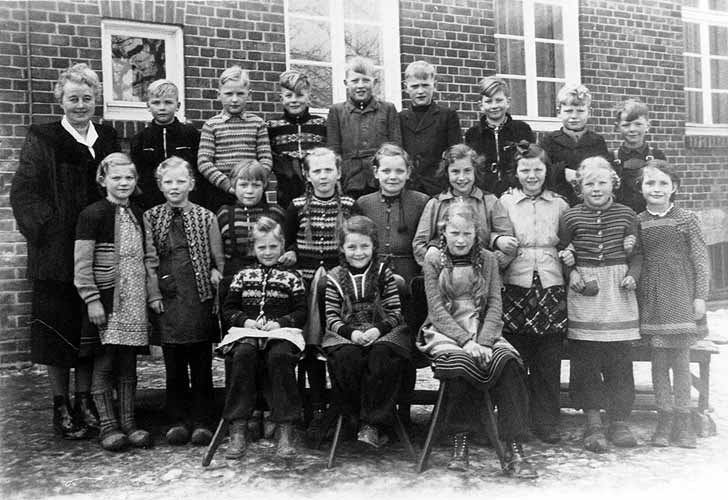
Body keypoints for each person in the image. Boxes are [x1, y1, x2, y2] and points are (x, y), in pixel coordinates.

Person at [10, 62, 120, 439]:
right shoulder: (42, 136)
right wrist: (53, 229)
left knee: (90, 329)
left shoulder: (107, 137)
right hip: (56, 254)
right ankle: (61, 406)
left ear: (96, 100)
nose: (80, 105)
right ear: (60, 100)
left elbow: (121, 183)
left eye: (87, 98)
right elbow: (23, 192)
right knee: (56, 331)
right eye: (73, 98)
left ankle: (85, 399)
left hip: (97, 251)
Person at [417, 200, 538, 478]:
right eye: (454, 233)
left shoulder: (489, 259)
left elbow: (495, 304)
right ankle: (461, 443)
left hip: (484, 328)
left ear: (476, 234)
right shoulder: (434, 259)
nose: (461, 240)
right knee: (461, 364)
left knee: (507, 363)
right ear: (443, 231)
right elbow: (436, 311)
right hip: (446, 331)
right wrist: (466, 342)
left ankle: (515, 446)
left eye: (467, 234)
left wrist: (483, 341)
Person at [558, 156, 641, 452]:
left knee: (619, 360)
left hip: (618, 294)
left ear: (614, 184)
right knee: (587, 360)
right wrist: (573, 272)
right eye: (588, 183)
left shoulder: (628, 214)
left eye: (602, 182)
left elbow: (638, 254)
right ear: (579, 187)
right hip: (586, 296)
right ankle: (592, 423)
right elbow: (563, 252)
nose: (596, 188)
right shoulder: (569, 217)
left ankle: (618, 421)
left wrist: (632, 274)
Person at [144, 156, 224, 446]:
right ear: (159, 185)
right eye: (168, 182)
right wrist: (153, 293)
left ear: (191, 183)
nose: (174, 187)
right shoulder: (151, 217)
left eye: (180, 181)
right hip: (168, 299)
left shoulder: (206, 217)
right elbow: (149, 259)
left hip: (197, 295)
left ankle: (203, 420)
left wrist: (216, 274)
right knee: (173, 362)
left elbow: (218, 258)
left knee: (200, 359)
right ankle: (177, 420)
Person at [74, 153, 151, 451]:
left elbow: (147, 257)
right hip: (107, 300)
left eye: (129, 178)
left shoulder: (138, 213)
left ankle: (129, 423)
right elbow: (82, 264)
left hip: (134, 299)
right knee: (105, 362)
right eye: (116, 177)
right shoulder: (92, 214)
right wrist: (92, 299)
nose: (123, 183)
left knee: (128, 363)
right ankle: (108, 425)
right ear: (102, 180)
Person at [495, 142, 569, 444]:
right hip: (516, 281)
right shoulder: (506, 202)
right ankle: (516, 420)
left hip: (550, 284)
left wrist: (571, 252)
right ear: (516, 172)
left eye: (537, 169)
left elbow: (569, 238)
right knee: (516, 356)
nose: (531, 175)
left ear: (546, 170)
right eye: (525, 170)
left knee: (548, 358)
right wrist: (500, 239)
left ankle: (547, 421)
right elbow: (492, 231)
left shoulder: (560, 204)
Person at [282, 147, 355, 445]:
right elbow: (287, 243)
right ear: (307, 175)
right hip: (307, 283)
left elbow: (355, 243)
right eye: (317, 171)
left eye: (328, 170)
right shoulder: (297, 206)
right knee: (311, 348)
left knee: (337, 344)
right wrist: (289, 253)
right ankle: (314, 406)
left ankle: (340, 409)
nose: (323, 176)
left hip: (339, 284)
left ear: (338, 173)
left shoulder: (350, 205)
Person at [220, 217, 308, 458]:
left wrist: (280, 322)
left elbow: (301, 312)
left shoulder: (292, 277)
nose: (267, 252)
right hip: (248, 331)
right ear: (253, 248)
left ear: (282, 246)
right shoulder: (243, 275)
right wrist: (246, 321)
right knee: (244, 354)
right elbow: (228, 309)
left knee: (279, 356)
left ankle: (285, 428)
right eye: (262, 247)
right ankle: (238, 427)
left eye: (273, 247)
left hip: (281, 332)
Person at [636, 160, 709, 448]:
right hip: (652, 298)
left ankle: (684, 419)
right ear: (641, 188)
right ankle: (664, 418)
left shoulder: (686, 218)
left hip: (681, 295)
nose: (657, 189)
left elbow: (701, 260)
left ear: (674, 188)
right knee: (658, 362)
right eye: (650, 183)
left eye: (663, 183)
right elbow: (637, 259)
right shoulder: (638, 220)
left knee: (681, 360)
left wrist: (700, 296)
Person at [323, 215, 412, 447]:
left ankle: (373, 423)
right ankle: (353, 417)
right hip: (346, 332)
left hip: (381, 330)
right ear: (342, 248)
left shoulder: (384, 273)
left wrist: (377, 330)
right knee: (346, 358)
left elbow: (395, 312)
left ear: (374, 246)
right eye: (352, 247)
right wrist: (351, 333)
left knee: (382, 356)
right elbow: (331, 317)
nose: (358, 252)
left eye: (365, 246)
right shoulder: (334, 278)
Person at [412, 144, 513, 268]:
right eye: (455, 171)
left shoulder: (490, 201)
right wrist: (438, 265)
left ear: (475, 171)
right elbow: (419, 243)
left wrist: (488, 265)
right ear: (446, 173)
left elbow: (508, 244)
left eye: (467, 171)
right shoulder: (436, 203)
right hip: (444, 275)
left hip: (481, 274)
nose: (462, 177)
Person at [198, 65, 273, 212]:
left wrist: (255, 182)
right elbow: (204, 162)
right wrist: (227, 185)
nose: (234, 99)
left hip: (252, 192)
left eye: (240, 94)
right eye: (228, 94)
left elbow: (266, 158)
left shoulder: (257, 123)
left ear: (249, 95)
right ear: (218, 94)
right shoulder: (211, 125)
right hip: (222, 193)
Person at [327, 56, 401, 199]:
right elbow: (333, 150)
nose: (360, 85)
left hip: (381, 181)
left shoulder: (388, 109)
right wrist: (337, 181)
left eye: (366, 80)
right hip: (350, 182)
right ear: (346, 83)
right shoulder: (337, 111)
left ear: (374, 82)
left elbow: (396, 148)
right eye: (355, 81)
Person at [130, 79, 205, 210]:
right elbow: (137, 174)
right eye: (156, 103)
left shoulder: (191, 134)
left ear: (178, 105)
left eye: (168, 102)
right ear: (148, 106)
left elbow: (198, 171)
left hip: (186, 202)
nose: (162, 107)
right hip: (151, 204)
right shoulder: (140, 139)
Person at [540, 84, 610, 206]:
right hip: (557, 201)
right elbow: (541, 171)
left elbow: (607, 171)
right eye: (568, 111)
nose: (574, 116)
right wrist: (562, 172)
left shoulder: (597, 141)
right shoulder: (549, 141)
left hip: (590, 204)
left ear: (589, 112)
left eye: (580, 111)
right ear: (558, 112)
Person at [266, 70, 327, 209]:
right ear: (282, 98)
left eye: (299, 95)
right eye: (289, 95)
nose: (294, 100)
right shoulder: (272, 126)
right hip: (286, 190)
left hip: (317, 190)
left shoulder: (321, 124)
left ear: (308, 97)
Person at [399, 60, 461, 196]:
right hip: (409, 189)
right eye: (415, 86)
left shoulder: (447, 116)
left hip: (438, 188)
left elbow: (455, 154)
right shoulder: (400, 118)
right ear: (406, 87)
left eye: (425, 85)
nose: (420, 91)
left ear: (435, 85)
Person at [465, 77, 534, 197]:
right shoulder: (473, 134)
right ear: (481, 105)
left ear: (508, 102)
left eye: (499, 100)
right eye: (489, 101)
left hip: (516, 195)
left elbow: (531, 161)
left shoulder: (522, 129)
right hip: (483, 195)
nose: (494, 105)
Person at [612, 99, 666, 214]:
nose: (632, 129)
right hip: (620, 218)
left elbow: (666, 190)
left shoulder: (657, 156)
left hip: (651, 216)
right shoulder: (611, 157)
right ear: (617, 127)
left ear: (647, 125)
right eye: (626, 125)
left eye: (638, 124)